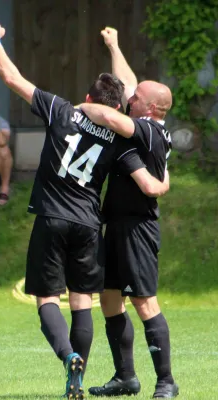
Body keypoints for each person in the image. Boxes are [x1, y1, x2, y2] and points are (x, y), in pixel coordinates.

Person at [0, 23, 169, 399]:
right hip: (89, 224)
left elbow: (10, 76)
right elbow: (127, 103)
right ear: (120, 106)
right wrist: (115, 47)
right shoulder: (121, 137)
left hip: (52, 216)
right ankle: (82, 383)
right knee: (83, 301)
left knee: (47, 299)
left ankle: (71, 360)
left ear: (89, 97)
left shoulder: (60, 109)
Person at [78, 27, 178, 399]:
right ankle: (125, 377)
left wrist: (84, 107)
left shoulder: (150, 131)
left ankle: (166, 382)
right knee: (109, 299)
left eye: (135, 97)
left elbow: (116, 119)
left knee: (144, 302)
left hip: (138, 229)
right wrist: (114, 46)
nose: (129, 96)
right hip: (115, 226)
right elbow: (129, 81)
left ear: (150, 108)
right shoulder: (145, 128)